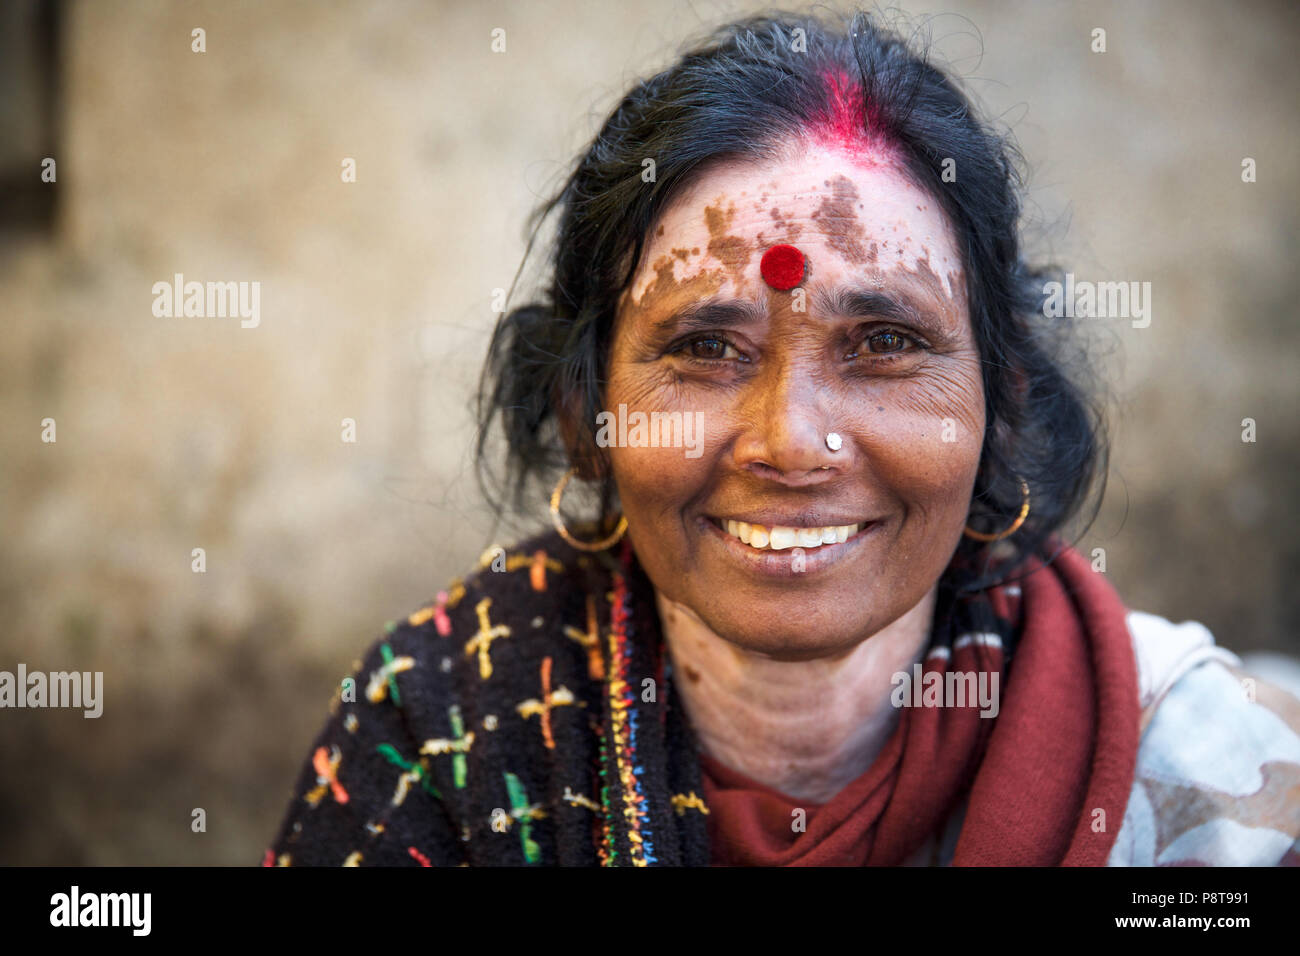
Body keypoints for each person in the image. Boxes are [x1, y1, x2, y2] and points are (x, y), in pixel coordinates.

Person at [263, 11, 1300, 866]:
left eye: (885, 342)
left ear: (1003, 405)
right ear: (585, 417)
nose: (791, 443)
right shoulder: (432, 738)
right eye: (706, 346)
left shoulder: (1218, 790)